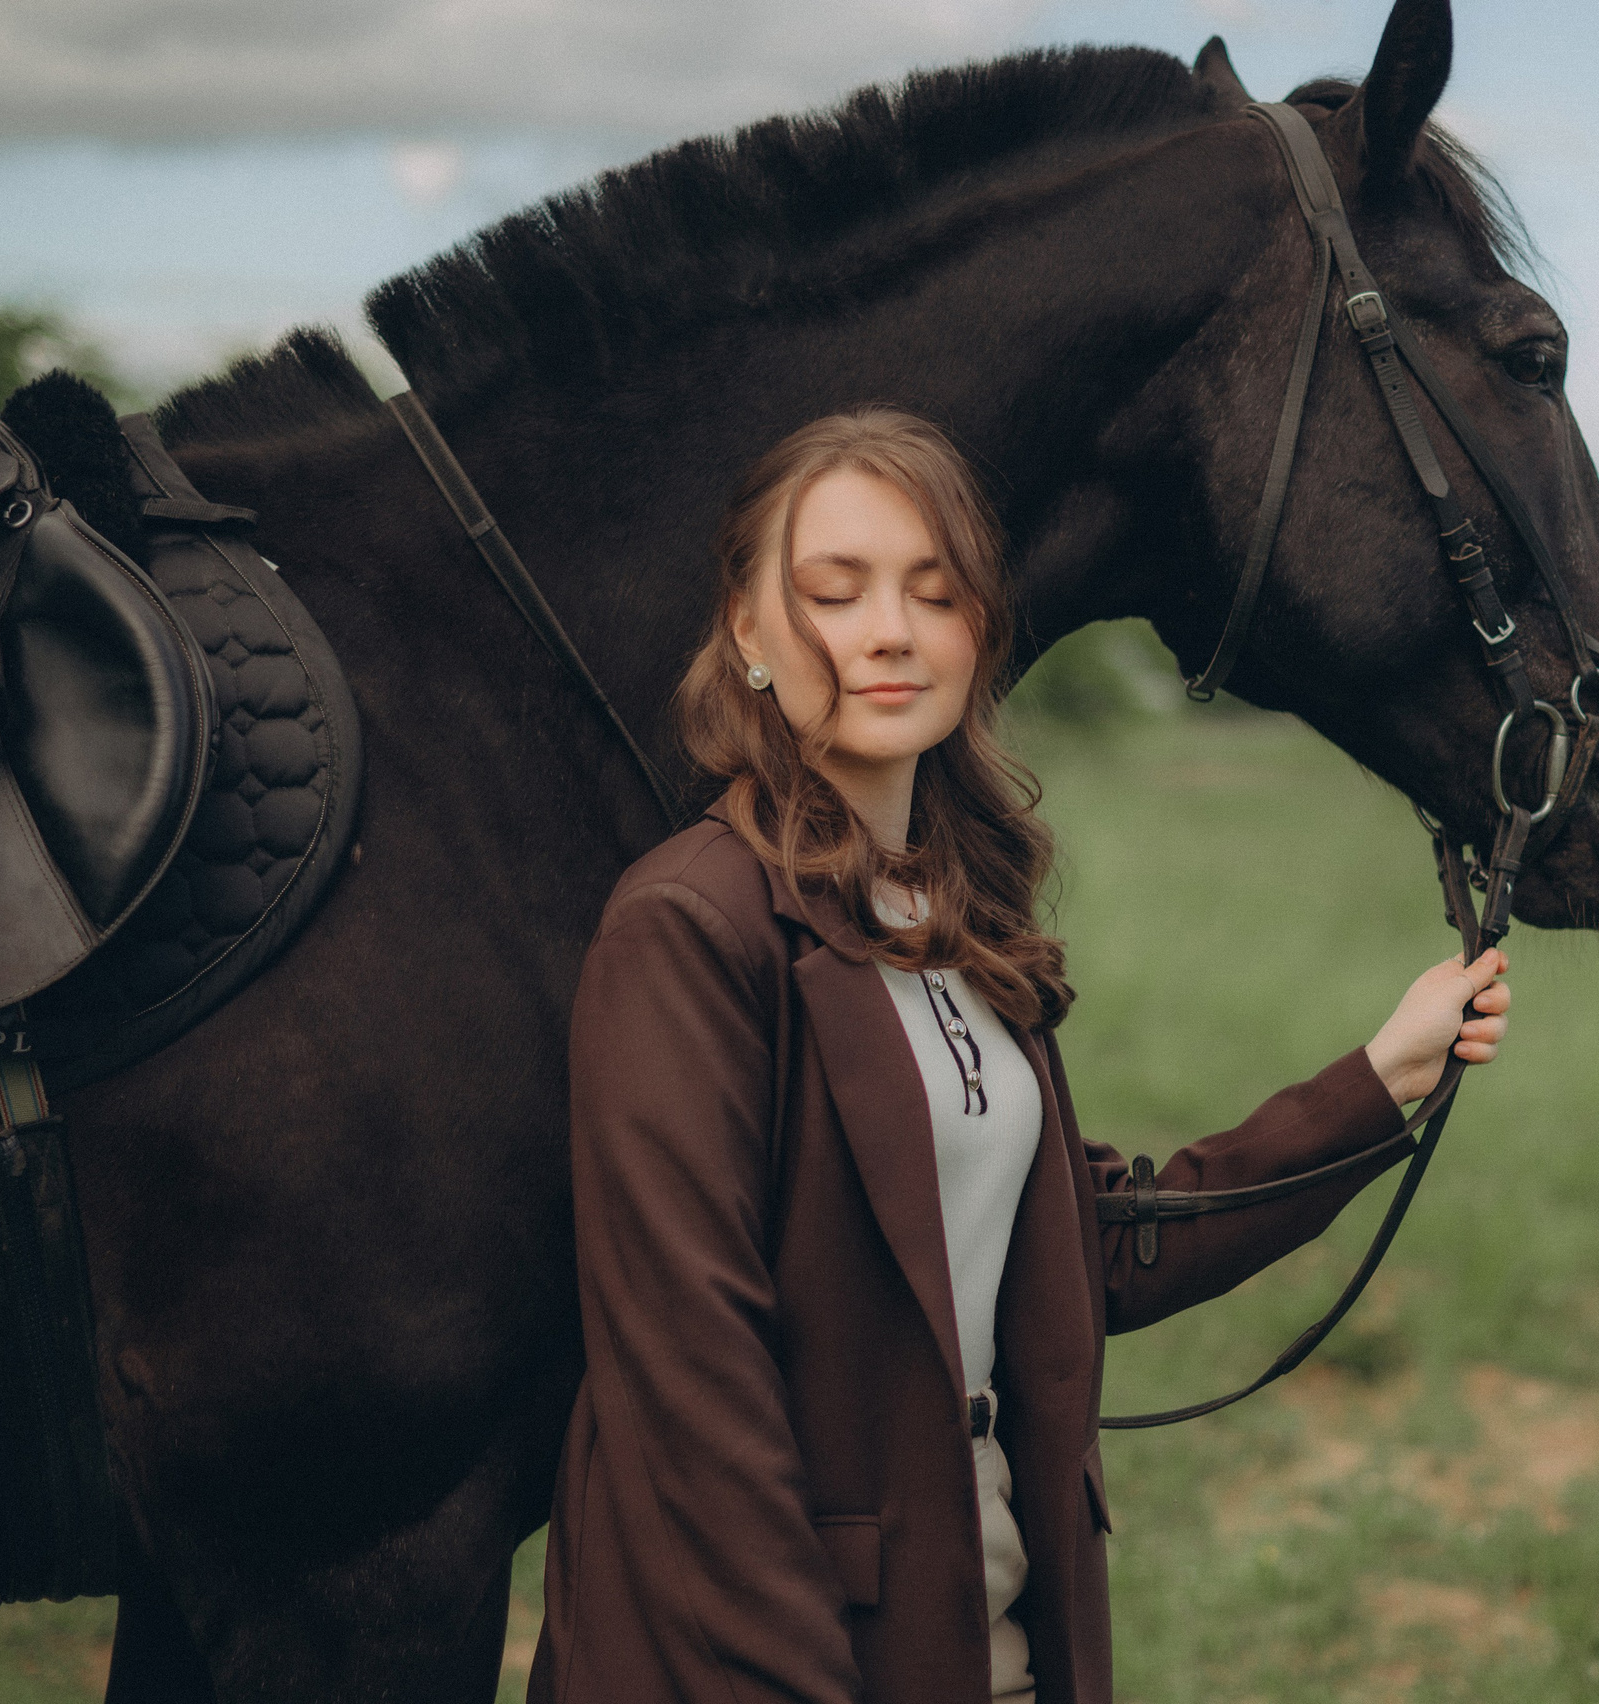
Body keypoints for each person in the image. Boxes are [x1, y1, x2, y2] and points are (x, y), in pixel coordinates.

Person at [528, 409, 1510, 1704]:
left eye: (936, 594)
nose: (891, 631)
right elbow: (689, 1396)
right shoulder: (690, 929)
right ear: (751, 631)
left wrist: (1374, 1084)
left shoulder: (950, 919)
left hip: (988, 1635)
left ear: (980, 632)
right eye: (836, 591)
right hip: (776, 1664)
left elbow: (1077, 1245)